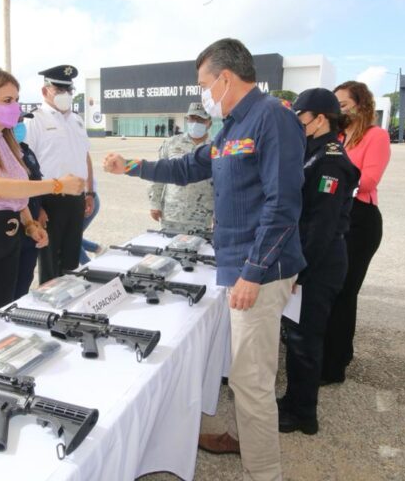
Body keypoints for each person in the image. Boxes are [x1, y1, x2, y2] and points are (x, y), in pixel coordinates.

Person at [104, 38, 305, 481]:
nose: (202, 94)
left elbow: (283, 203)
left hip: (261, 268)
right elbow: (190, 166)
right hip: (239, 264)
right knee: (246, 374)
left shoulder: (272, 117)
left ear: (225, 78)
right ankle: (247, 445)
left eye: (203, 84)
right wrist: (133, 167)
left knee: (251, 381)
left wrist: (253, 272)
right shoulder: (233, 126)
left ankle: (264, 473)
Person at [0, 68, 83, 326]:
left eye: (16, 99)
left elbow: (18, 187)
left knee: (5, 317)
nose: (15, 106)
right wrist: (57, 186)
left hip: (11, 236)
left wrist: (30, 223)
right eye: (7, 100)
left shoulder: (5, 138)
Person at [278, 89, 361, 435]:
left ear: (320, 119)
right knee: (295, 335)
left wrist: (301, 268)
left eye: (301, 117)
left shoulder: (330, 161)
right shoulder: (311, 150)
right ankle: (294, 398)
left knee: (305, 340)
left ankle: (304, 415)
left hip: (319, 262)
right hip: (308, 257)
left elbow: (321, 227)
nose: (297, 122)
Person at [321, 81, 391, 384]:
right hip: (334, 216)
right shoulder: (336, 136)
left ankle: (334, 367)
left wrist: (331, 179)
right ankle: (334, 352)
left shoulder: (376, 136)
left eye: (344, 104)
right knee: (328, 290)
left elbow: (368, 180)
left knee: (344, 292)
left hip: (360, 221)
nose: (339, 110)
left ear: (361, 105)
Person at [24, 65, 95, 283]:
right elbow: (25, 164)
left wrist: (89, 193)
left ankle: (69, 305)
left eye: (69, 90)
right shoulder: (33, 120)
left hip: (75, 199)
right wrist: (37, 206)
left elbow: (85, 157)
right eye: (59, 90)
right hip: (48, 199)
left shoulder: (78, 121)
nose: (65, 95)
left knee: (71, 259)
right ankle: (50, 309)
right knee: (49, 262)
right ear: (45, 92)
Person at [148, 102, 214, 233]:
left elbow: (221, 183)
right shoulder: (171, 143)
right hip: (172, 214)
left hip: (202, 216)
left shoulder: (215, 147)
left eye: (201, 119)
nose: (196, 122)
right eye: (192, 118)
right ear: (187, 120)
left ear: (209, 123)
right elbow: (159, 174)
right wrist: (154, 203)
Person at [13, 112, 45, 298]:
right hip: (13, 229)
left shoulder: (26, 150)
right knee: (6, 292)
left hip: (31, 228)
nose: (19, 125)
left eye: (21, 121)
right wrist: (60, 185)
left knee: (22, 286)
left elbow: (34, 184)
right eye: (16, 121)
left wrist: (40, 210)